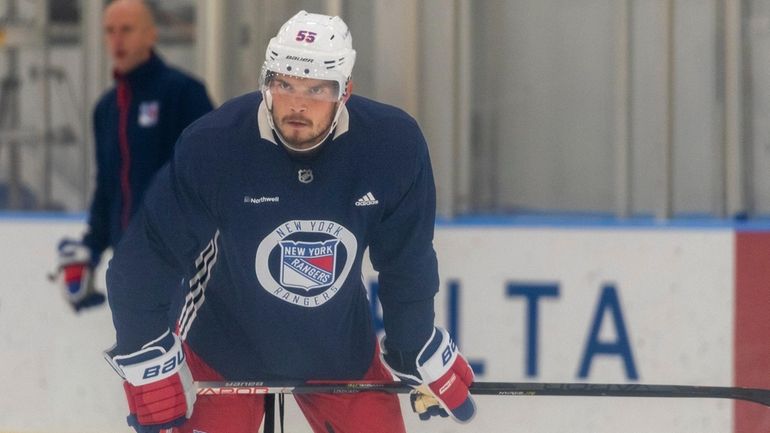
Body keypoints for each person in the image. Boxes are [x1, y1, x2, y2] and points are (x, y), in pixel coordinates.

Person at [103, 10, 475, 433]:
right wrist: (147, 348)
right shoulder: (215, 144)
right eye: (285, 84)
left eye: (317, 89)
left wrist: (415, 342)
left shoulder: (392, 146)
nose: (297, 103)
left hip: (337, 352)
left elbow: (406, 260)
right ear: (267, 83)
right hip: (222, 347)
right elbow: (148, 255)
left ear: (345, 92)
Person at [54, 0, 213, 312]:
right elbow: (107, 187)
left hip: (182, 263)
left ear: (150, 35)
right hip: (130, 265)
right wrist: (92, 249)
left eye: (126, 29)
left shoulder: (183, 92)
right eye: (109, 31)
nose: (117, 39)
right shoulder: (107, 108)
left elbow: (211, 174)